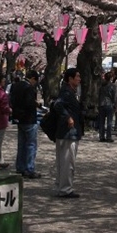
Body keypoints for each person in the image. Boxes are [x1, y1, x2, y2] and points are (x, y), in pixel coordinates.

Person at [54, 67, 83, 198]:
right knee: (67, 161)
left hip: (66, 132)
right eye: (77, 76)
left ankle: (61, 185)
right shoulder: (66, 92)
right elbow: (58, 105)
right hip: (68, 132)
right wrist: (68, 117)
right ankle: (65, 188)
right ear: (70, 78)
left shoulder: (69, 91)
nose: (79, 79)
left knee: (63, 161)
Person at [9, 69, 42, 179]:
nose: (35, 83)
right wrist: (35, 104)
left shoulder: (16, 85)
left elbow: (12, 100)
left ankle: (20, 167)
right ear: (32, 78)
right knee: (31, 145)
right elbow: (29, 103)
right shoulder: (29, 88)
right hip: (29, 119)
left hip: (19, 118)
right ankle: (29, 168)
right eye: (35, 81)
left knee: (21, 144)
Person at [98, 71, 116, 143]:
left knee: (101, 121)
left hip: (101, 104)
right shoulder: (112, 86)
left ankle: (101, 136)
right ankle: (108, 136)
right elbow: (113, 96)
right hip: (109, 104)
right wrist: (115, 104)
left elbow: (99, 95)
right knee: (109, 121)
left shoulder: (101, 86)